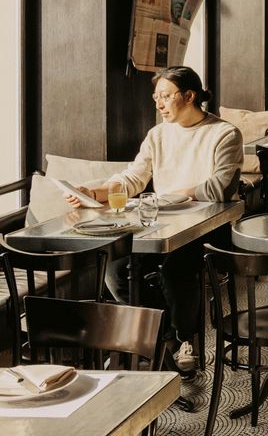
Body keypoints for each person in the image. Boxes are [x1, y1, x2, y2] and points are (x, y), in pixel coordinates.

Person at [64, 66, 243, 374]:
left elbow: (221, 188)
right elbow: (133, 177)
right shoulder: (157, 135)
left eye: (165, 96)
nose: (159, 104)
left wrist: (174, 195)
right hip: (162, 226)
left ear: (189, 96)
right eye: (156, 97)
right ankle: (163, 336)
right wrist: (93, 192)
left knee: (176, 270)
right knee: (116, 272)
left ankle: (186, 338)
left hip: (209, 227)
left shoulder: (224, 133)